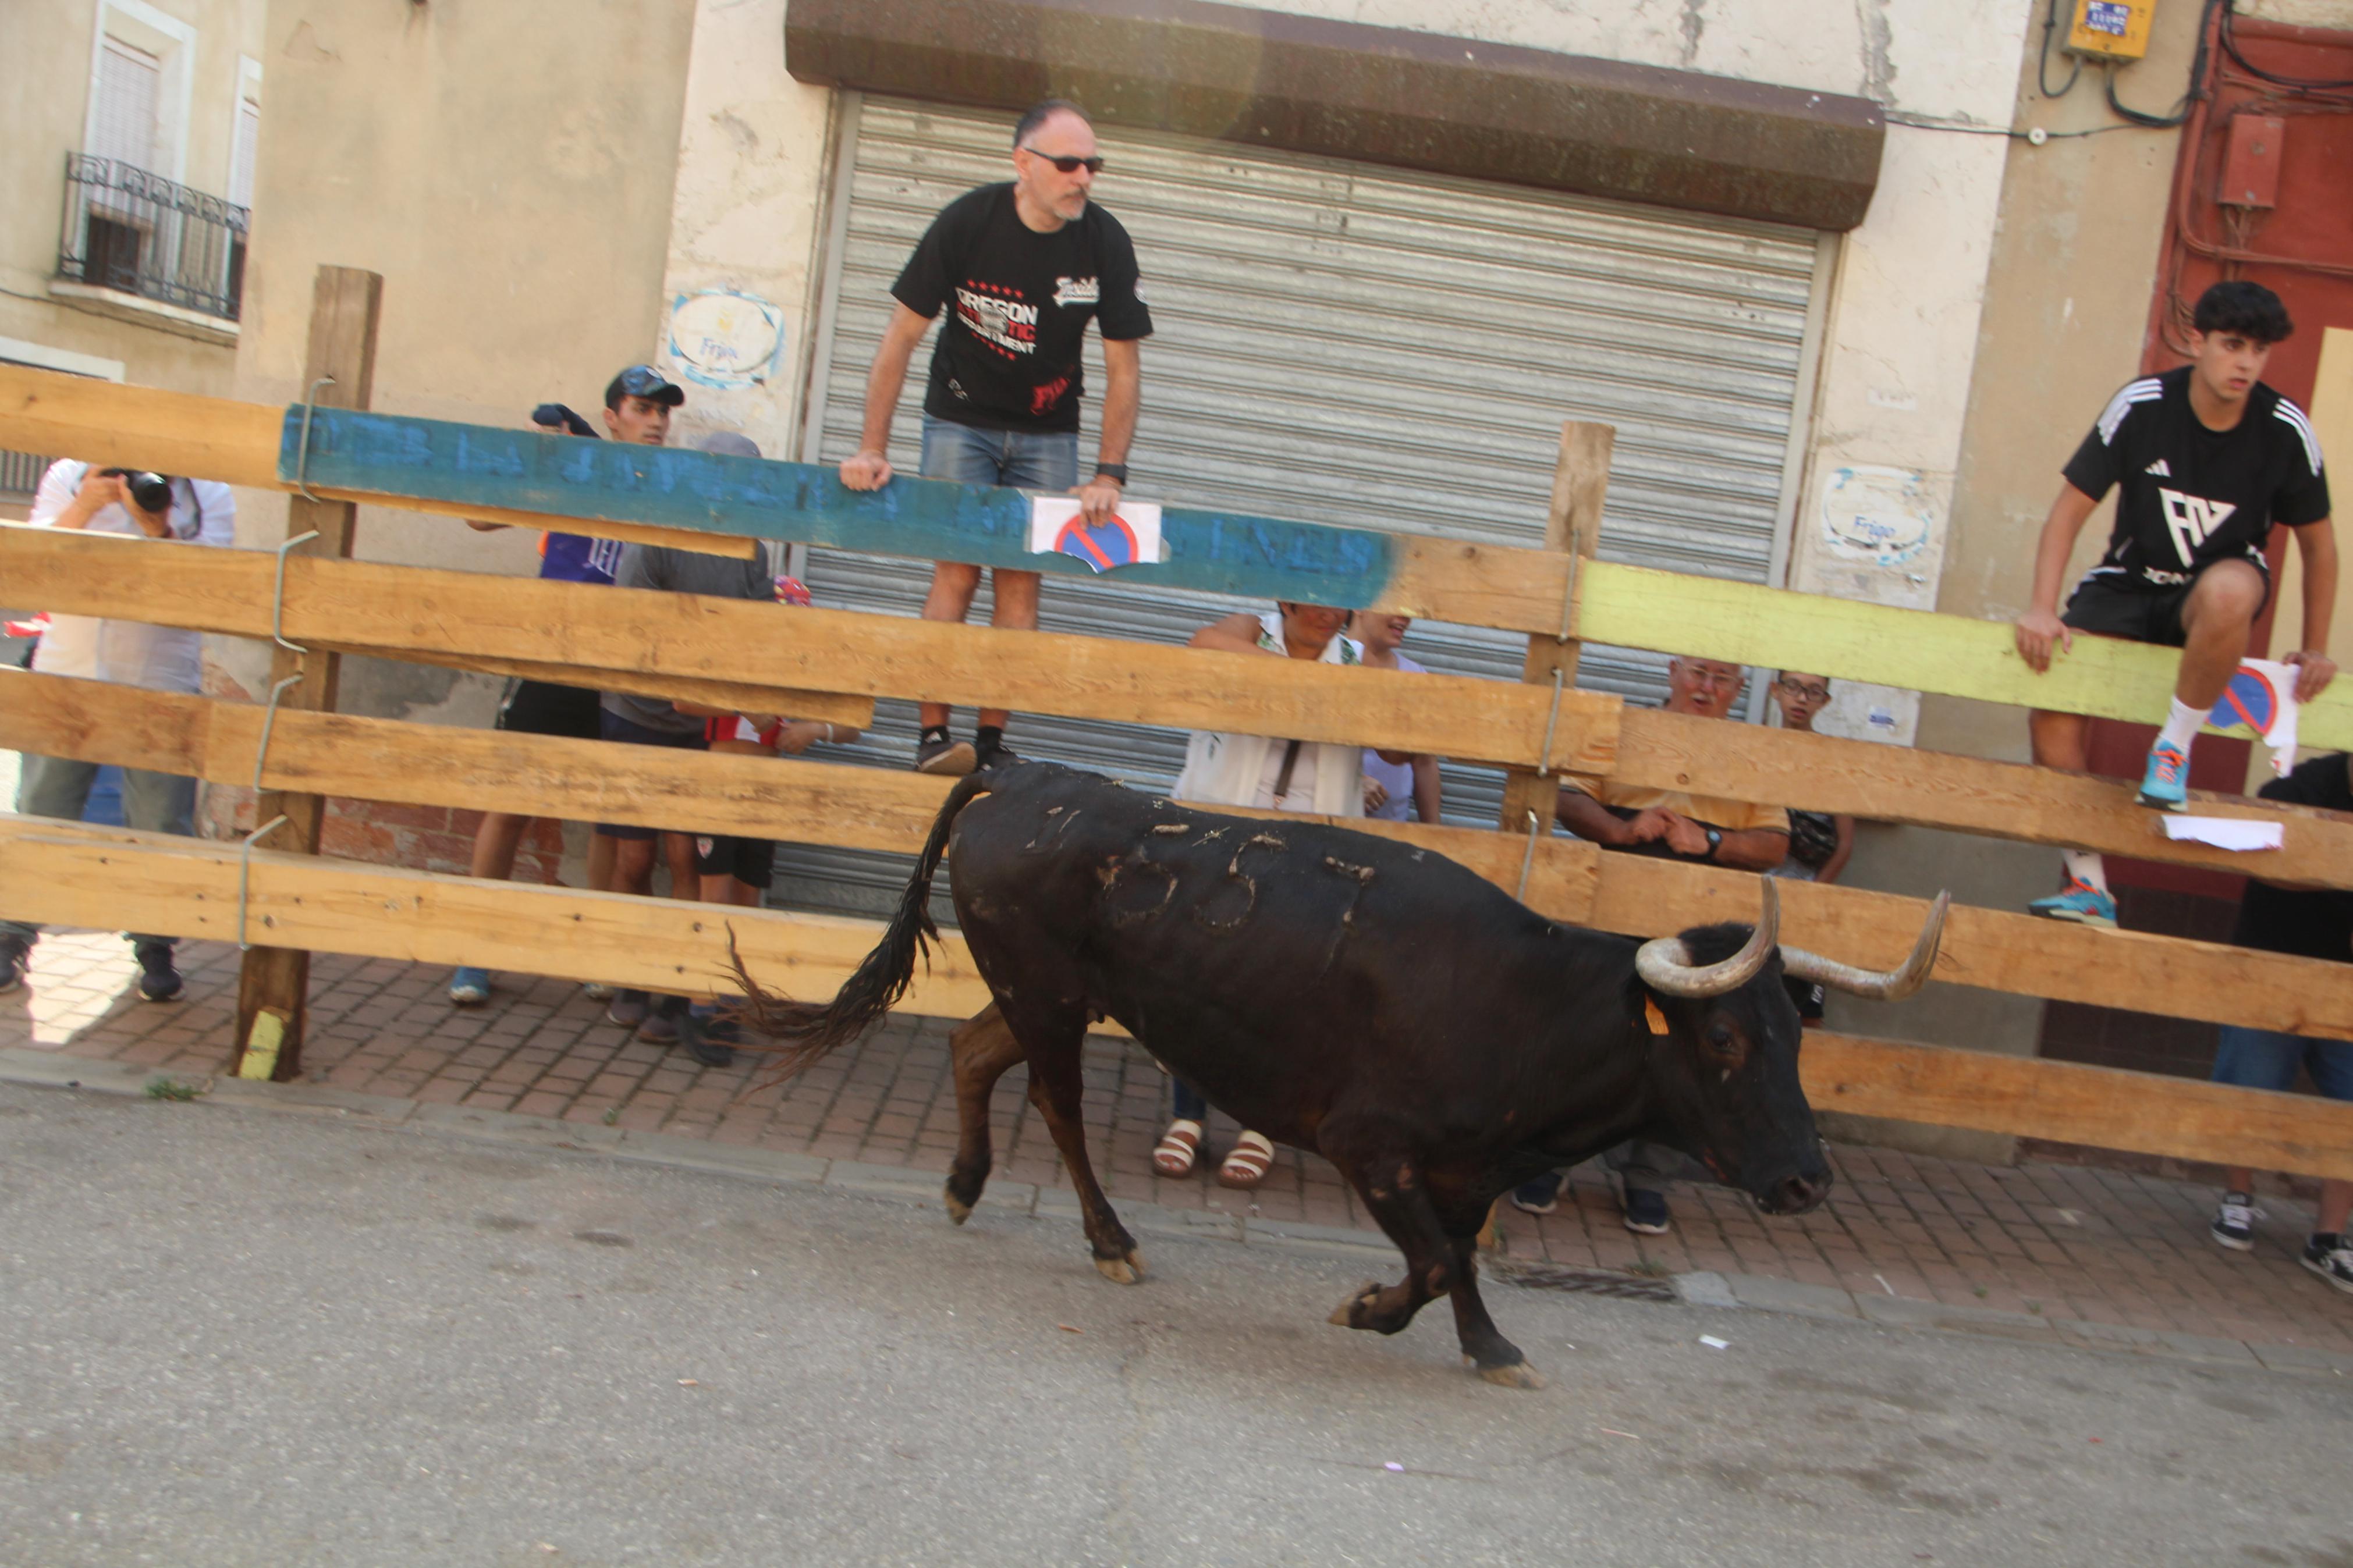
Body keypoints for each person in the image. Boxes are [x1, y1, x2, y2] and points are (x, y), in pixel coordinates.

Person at [837, 98, 1152, 777]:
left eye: (1092, 165)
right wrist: (871, 445)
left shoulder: (1103, 241)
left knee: (1020, 582)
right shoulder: (968, 222)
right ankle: (932, 735)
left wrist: (1109, 473)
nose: (1082, 178)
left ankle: (990, 742)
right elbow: (900, 338)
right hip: (960, 418)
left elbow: (1123, 367)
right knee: (956, 571)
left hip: (1048, 429)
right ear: (1023, 163)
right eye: (1067, 164)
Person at [2016, 281, 2335, 929]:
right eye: (2232, 345)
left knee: (2229, 589)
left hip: (2215, 593)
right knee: (2051, 700)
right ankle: (2087, 882)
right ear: (2197, 340)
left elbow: (2319, 547)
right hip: (2127, 583)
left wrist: (2315, 645)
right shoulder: (2142, 405)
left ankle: (2173, 749)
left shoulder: (2283, 427)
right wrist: (2041, 607)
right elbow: (2067, 512)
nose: (2245, 362)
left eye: (2258, 350)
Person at [1516, 655, 1791, 1232]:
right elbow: (1568, 796)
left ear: (1739, 688)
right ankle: (1550, 1158)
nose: (1707, 687)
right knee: (1587, 1033)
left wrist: (1710, 839)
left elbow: (1772, 844)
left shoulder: (1750, 752)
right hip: (1610, 909)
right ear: (1671, 671)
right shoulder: (1625, 728)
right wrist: (1619, 828)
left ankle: (1647, 1178)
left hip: (1700, 928)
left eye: (1722, 678)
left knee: (1684, 1050)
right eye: (1697, 672)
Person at [445, 370, 683, 1007]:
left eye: (662, 412)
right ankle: (475, 950)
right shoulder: (574, 472)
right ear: (612, 417)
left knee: (608, 819)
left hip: (625, 674)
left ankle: (595, 952)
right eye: (642, 409)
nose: (656, 421)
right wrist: (538, 454)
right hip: (554, 662)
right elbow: (477, 517)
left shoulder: (672, 484)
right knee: (511, 803)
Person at [595, 428, 809, 1058]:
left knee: (687, 858)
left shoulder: (752, 552)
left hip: (700, 724)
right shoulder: (660, 539)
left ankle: (676, 985)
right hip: (639, 713)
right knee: (634, 858)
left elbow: (752, 635)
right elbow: (633, 629)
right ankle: (630, 973)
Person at [1151, 600, 1366, 1190]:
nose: (1328, 613)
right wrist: (1300, 681)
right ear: (1288, 599)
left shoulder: (1358, 659)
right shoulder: (1253, 630)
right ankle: (1187, 1116)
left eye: (1340, 602)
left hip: (1312, 849)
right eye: (1315, 598)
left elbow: (1399, 740)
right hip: (1226, 834)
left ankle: (1262, 1128)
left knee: (1284, 992)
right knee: (1199, 979)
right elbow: (1202, 642)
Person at [2, 461, 235, 1001]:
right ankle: (11, 934)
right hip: (67, 669)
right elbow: (32, 565)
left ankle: (156, 944)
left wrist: (159, 529)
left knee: (161, 819)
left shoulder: (207, 489)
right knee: (42, 807)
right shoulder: (70, 474)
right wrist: (86, 504)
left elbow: (213, 584)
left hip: (159, 677)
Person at [673, 558, 863, 1062]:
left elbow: (850, 723)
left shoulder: (798, 672)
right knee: (714, 896)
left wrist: (815, 729)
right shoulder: (734, 659)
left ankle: (731, 1001)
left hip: (769, 795)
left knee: (748, 896)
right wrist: (741, 706)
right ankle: (700, 1004)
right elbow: (683, 700)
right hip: (722, 788)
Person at [2202, 751, 2353, 1294]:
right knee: (2250, 1087)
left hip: (2346, 979)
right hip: (2271, 964)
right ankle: (2237, 1198)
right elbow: (2265, 856)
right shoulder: (2303, 787)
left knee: (2350, 1105)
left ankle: (2329, 1237)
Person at [1765, 671, 1855, 1027]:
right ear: (1775, 690)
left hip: (1805, 903)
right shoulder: (1755, 747)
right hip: (1752, 895)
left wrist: (1812, 895)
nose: (1801, 699)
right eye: (1793, 687)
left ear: (1825, 701)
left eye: (1813, 692)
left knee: (1804, 1013)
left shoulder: (1832, 760)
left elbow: (1845, 844)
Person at [1351, 611, 1443, 823]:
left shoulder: (1415, 675)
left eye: (1409, 610)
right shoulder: (1327, 660)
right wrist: (1349, 785)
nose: (1405, 618)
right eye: (1395, 606)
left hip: (1393, 826)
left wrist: (1434, 833)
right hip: (1330, 822)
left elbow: (1425, 762)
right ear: (1359, 607)